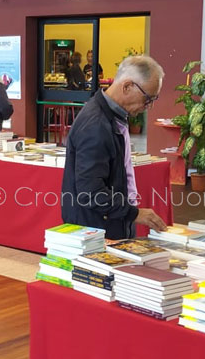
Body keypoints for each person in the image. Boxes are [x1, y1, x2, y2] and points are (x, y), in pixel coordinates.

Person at [61, 55, 167, 239]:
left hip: (110, 221)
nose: (147, 107)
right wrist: (134, 213)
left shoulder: (113, 116)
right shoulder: (96, 126)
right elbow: (90, 193)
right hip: (95, 230)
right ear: (127, 87)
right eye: (147, 99)